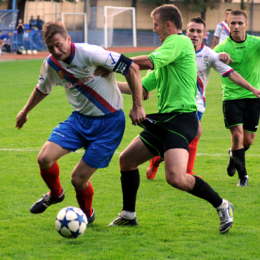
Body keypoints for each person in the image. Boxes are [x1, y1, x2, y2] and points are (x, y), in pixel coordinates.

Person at [107, 4, 234, 234]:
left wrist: (110, 62)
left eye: (155, 24)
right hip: (166, 119)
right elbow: (140, 84)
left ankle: (222, 204)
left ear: (167, 24)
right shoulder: (168, 52)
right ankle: (128, 215)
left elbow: (142, 63)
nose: (154, 29)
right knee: (126, 161)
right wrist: (101, 84)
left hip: (181, 119)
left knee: (176, 178)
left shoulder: (179, 42)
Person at [15, 20, 145, 224]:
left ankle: (87, 214)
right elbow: (42, 88)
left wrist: (137, 105)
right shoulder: (51, 64)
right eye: (51, 47)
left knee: (78, 179)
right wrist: (25, 111)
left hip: (109, 125)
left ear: (68, 39)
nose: (57, 51)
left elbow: (132, 68)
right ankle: (56, 194)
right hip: (79, 120)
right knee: (44, 159)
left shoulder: (90, 53)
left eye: (59, 45)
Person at [146, 17, 260, 181]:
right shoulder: (174, 48)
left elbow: (231, 73)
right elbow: (155, 63)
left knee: (181, 140)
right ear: (186, 32)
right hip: (173, 103)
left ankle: (159, 159)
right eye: (191, 30)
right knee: (191, 134)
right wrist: (146, 85)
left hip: (196, 106)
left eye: (198, 31)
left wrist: (252, 89)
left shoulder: (208, 54)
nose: (194, 34)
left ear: (204, 35)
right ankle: (187, 171)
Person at [214, 9, 260, 187]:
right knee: (237, 136)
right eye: (232, 23)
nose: (236, 26)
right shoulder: (223, 47)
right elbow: (204, 57)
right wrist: (217, 56)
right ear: (227, 24)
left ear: (246, 25)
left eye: (240, 23)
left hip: (254, 96)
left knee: (248, 140)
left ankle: (233, 155)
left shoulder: (255, 43)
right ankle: (243, 177)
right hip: (231, 97)